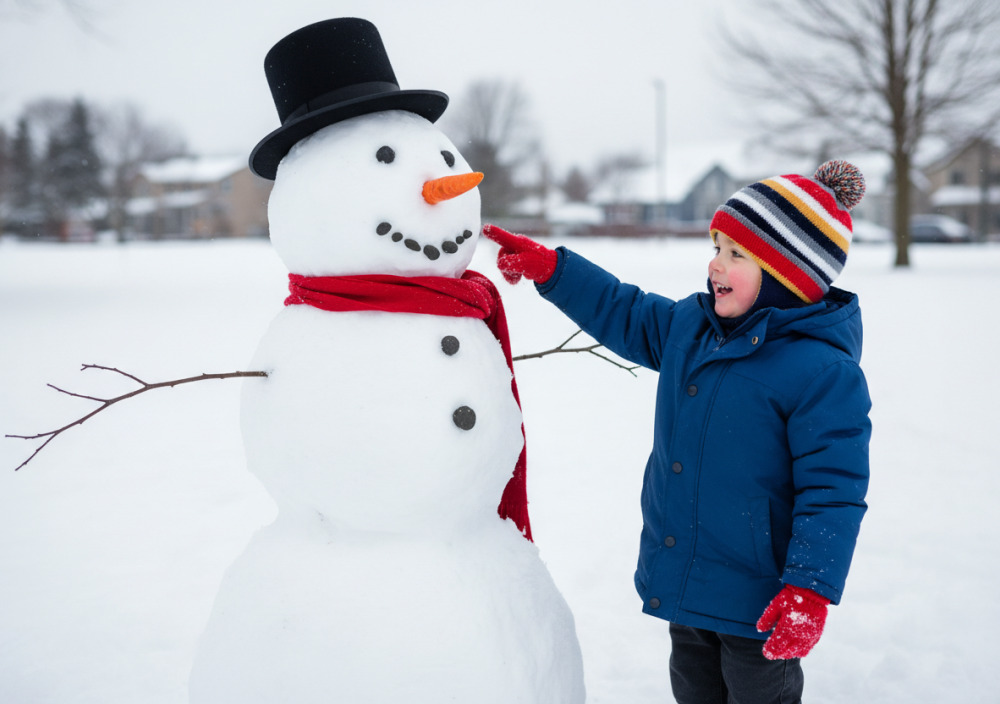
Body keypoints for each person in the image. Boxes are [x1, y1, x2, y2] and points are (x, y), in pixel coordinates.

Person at [482, 160, 871, 704]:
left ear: (789, 276)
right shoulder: (693, 329)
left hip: (761, 595)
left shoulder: (822, 373)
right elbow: (627, 312)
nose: (715, 265)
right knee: (693, 690)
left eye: (737, 254)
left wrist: (809, 588)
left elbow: (834, 491)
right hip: (687, 571)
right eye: (716, 247)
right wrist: (555, 270)